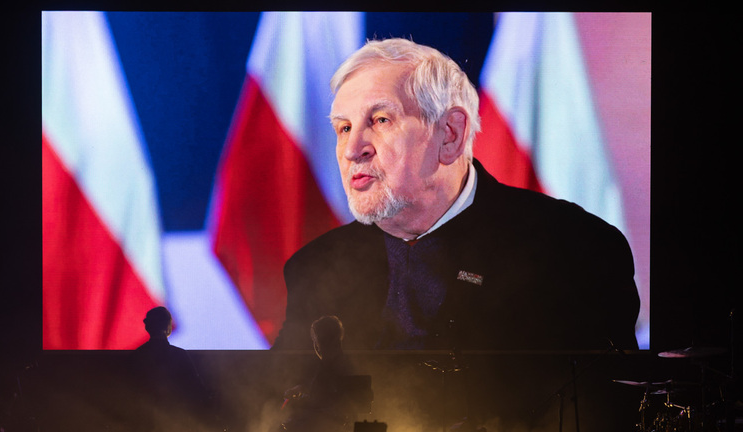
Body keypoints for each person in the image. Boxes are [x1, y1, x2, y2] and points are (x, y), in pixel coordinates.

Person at [272, 38, 640, 352]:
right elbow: (281, 404)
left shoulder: (576, 250)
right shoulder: (314, 270)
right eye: (344, 128)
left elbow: (608, 406)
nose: (353, 150)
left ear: (450, 134)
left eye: (381, 120)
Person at [263, 316, 360, 432]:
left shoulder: (332, 366)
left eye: (315, 339)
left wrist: (300, 401)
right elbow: (327, 395)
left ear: (320, 341)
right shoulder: (338, 363)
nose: (315, 345)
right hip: (326, 430)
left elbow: (327, 402)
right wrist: (304, 391)